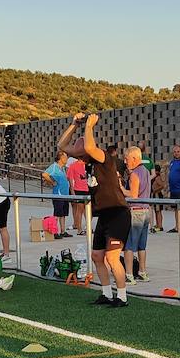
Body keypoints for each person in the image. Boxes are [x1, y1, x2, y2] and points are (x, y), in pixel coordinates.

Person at [58, 113, 129, 308]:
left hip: (118, 213)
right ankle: (106, 293)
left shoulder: (103, 157)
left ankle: (122, 297)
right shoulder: (87, 161)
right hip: (104, 215)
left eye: (80, 153)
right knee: (97, 256)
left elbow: (89, 147)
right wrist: (74, 124)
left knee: (112, 257)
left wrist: (89, 125)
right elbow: (62, 146)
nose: (79, 157)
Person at [122, 147, 152, 284]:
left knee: (129, 246)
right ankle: (142, 272)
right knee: (141, 245)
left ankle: (129, 275)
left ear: (134, 158)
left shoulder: (135, 174)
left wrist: (121, 188)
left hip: (136, 211)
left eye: (127, 159)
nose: (125, 162)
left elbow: (133, 195)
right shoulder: (146, 171)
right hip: (146, 211)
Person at [43, 151, 72, 238]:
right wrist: (52, 182)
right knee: (57, 213)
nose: (67, 159)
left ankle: (63, 231)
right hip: (58, 194)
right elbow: (44, 174)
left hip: (65, 194)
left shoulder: (62, 168)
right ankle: (54, 232)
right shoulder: (54, 167)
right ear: (60, 158)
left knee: (63, 213)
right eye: (65, 157)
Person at [65, 155, 89, 236]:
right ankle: (79, 229)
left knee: (88, 210)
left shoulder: (87, 165)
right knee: (80, 210)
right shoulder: (73, 166)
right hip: (78, 190)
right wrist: (72, 191)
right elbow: (70, 179)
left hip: (88, 189)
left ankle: (88, 227)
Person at [150, 162, 168, 232]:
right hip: (155, 195)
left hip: (158, 195)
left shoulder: (157, 178)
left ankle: (160, 226)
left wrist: (155, 190)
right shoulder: (155, 177)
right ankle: (158, 224)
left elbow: (162, 185)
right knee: (156, 210)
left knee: (158, 211)